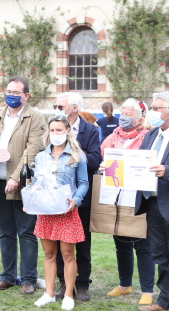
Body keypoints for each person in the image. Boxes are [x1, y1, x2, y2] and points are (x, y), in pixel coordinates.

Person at [0, 76, 47, 294]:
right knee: (5, 233)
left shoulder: (36, 117)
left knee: (27, 233)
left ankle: (28, 280)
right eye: (8, 92)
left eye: (16, 93)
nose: (11, 95)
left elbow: (33, 150)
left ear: (26, 95)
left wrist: (16, 177)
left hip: (24, 186)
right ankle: (8, 277)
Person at [99, 98, 154, 305]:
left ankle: (147, 290)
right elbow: (101, 156)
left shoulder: (149, 136)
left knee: (142, 244)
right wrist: (102, 166)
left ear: (140, 118)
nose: (123, 117)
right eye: (122, 112)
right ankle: (125, 285)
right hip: (116, 195)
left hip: (139, 196)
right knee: (121, 242)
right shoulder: (113, 136)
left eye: (129, 114)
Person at [31, 116, 88, 311]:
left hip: (66, 211)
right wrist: (32, 199)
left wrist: (76, 200)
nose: (55, 134)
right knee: (48, 253)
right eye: (52, 130)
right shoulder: (41, 157)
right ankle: (48, 293)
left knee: (67, 254)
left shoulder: (76, 155)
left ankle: (68, 295)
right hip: (46, 211)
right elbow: (36, 182)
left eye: (59, 130)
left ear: (68, 131)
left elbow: (84, 183)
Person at [52, 93, 103, 302]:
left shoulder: (90, 130)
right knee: (57, 243)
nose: (57, 108)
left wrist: (72, 154)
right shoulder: (54, 128)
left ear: (73, 108)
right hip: (56, 197)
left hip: (81, 197)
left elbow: (95, 159)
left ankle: (82, 285)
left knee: (81, 243)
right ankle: (63, 283)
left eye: (60, 106)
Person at [134, 91, 169, 311]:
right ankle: (164, 300)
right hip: (153, 203)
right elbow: (137, 162)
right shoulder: (151, 135)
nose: (152, 112)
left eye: (157, 108)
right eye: (151, 108)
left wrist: (166, 170)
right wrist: (111, 168)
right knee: (160, 254)